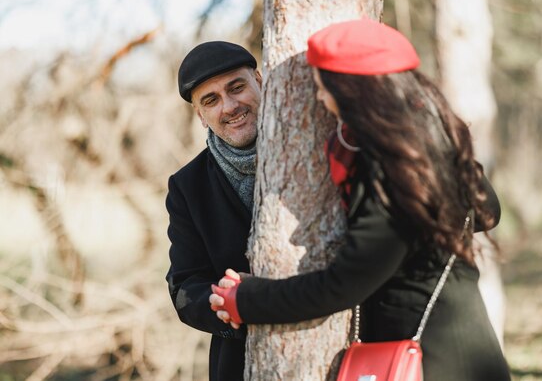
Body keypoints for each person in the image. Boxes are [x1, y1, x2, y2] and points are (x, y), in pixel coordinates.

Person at [209, 19, 511, 380]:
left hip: (432, 361)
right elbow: (487, 210)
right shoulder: (430, 135)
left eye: (324, 88)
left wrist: (247, 300)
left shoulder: (390, 166)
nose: (320, 98)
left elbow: (344, 284)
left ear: (353, 91)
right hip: (470, 344)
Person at [165, 41, 261, 381]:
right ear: (201, 115)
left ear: (259, 82)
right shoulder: (187, 187)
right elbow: (185, 286)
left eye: (237, 87)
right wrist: (230, 300)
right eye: (211, 99)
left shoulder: (315, 149)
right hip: (240, 361)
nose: (230, 106)